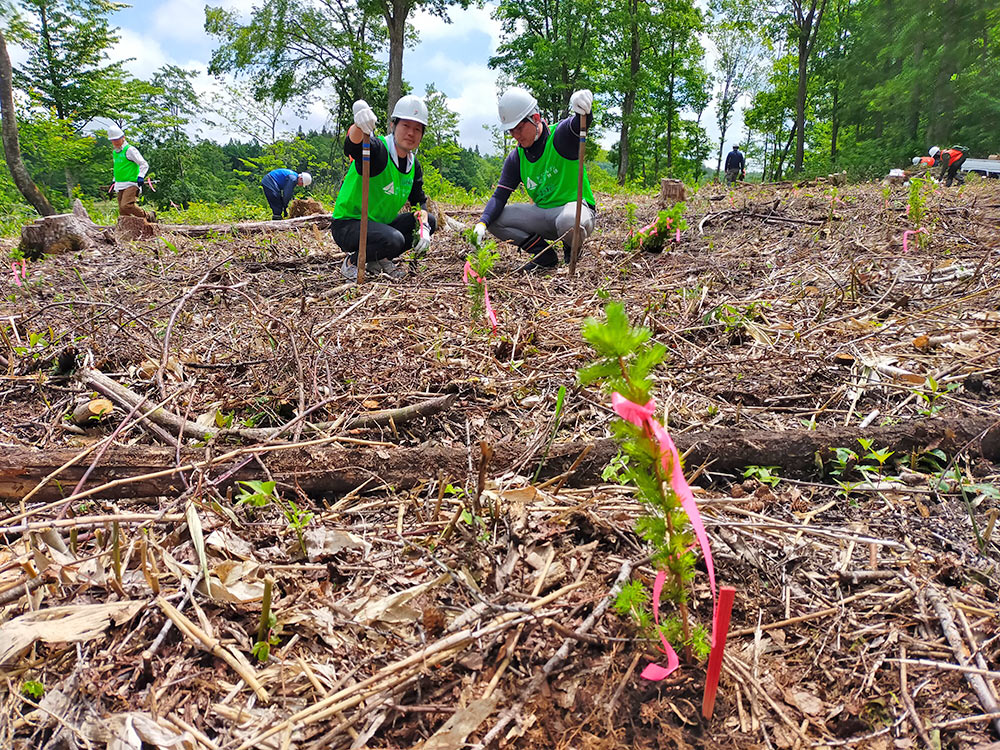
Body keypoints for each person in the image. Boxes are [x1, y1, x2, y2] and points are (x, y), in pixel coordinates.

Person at [472, 87, 596, 271]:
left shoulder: (560, 136)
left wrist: (584, 108)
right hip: (543, 214)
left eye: (520, 128)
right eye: (511, 131)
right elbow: (499, 196)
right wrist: (482, 223)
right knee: (495, 220)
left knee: (569, 222)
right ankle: (544, 255)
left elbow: (580, 123)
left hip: (575, 209)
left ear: (535, 119)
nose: (516, 136)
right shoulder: (517, 157)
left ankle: (571, 250)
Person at [332, 95, 435, 281]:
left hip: (380, 224)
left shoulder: (413, 165)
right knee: (394, 239)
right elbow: (353, 147)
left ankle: (377, 258)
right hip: (350, 223)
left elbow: (419, 200)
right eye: (405, 126)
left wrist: (424, 227)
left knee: (429, 222)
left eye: (417, 129)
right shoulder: (380, 150)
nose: (411, 133)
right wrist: (359, 126)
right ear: (393, 126)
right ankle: (353, 262)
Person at [107, 124, 155, 222]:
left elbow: (143, 164)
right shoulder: (115, 153)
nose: (115, 142)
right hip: (120, 183)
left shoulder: (130, 150)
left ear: (123, 137)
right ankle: (129, 230)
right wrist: (114, 181)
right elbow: (118, 168)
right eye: (113, 140)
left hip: (131, 183)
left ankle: (148, 216)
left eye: (117, 139)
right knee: (122, 211)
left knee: (127, 205)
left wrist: (141, 176)